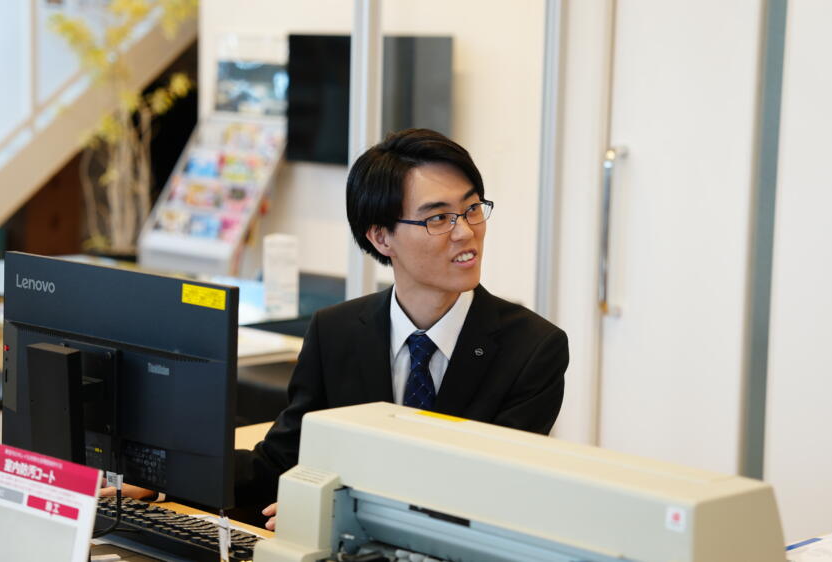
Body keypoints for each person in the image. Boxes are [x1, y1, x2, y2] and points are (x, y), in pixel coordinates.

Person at [105, 129, 568, 528]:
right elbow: (280, 462)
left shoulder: (532, 349)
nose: (466, 232)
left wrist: (340, 513)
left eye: (471, 209)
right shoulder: (337, 331)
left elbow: (491, 498)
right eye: (439, 218)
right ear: (381, 237)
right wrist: (164, 479)